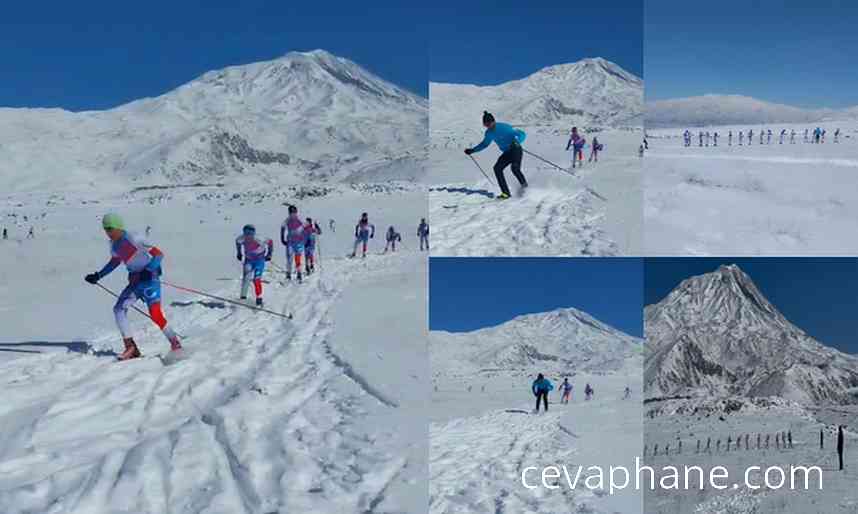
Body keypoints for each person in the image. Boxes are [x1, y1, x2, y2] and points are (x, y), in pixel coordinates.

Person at [84, 213, 182, 360]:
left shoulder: (135, 238)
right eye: (105, 229)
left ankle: (175, 343)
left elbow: (158, 255)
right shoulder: (114, 245)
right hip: (135, 283)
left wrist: (148, 270)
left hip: (150, 280)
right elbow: (115, 262)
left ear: (118, 227)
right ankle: (131, 348)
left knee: (155, 313)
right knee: (118, 309)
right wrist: (98, 275)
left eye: (110, 228)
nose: (107, 232)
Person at [465, 111, 528, 199]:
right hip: (506, 153)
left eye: (489, 124)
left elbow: (522, 134)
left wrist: (517, 141)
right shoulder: (489, 133)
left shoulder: (505, 127)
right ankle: (505, 193)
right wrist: (472, 150)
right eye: (486, 125)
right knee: (497, 168)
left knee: (515, 168)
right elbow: (484, 144)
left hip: (516, 149)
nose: (488, 126)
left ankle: (525, 188)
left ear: (493, 121)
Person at [235, 224, 273, 307]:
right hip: (248, 260)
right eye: (246, 233)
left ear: (253, 233)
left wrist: (269, 254)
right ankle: (243, 298)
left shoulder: (259, 238)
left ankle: (259, 298)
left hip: (259, 260)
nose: (248, 236)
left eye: (250, 234)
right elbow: (237, 242)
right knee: (246, 278)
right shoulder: (241, 238)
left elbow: (270, 242)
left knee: (256, 279)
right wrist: (239, 253)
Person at [280, 205, 306, 282]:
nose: (292, 214)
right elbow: (282, 227)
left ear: (296, 212)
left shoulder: (300, 219)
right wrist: (282, 238)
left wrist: (305, 238)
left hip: (299, 243)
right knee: (289, 259)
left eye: (294, 212)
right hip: (290, 242)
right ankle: (288, 274)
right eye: (291, 212)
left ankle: (299, 274)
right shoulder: (287, 220)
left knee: (297, 259)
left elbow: (306, 227)